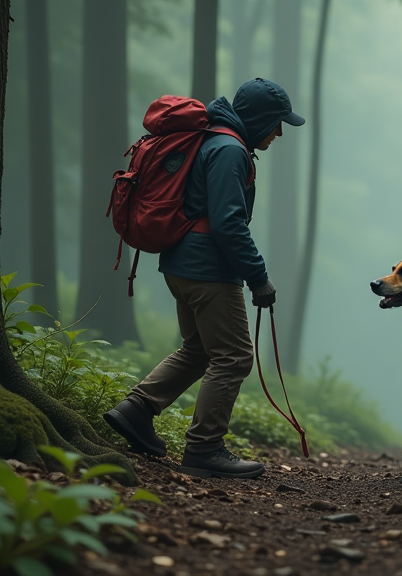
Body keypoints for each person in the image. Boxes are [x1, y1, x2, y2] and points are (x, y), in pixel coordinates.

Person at [103, 78, 305, 479]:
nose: (279, 132)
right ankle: (204, 449)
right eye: (277, 123)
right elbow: (228, 223)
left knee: (198, 349)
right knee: (234, 357)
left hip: (180, 265)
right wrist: (258, 277)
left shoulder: (213, 140)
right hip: (209, 270)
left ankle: (136, 410)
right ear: (261, 118)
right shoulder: (230, 150)